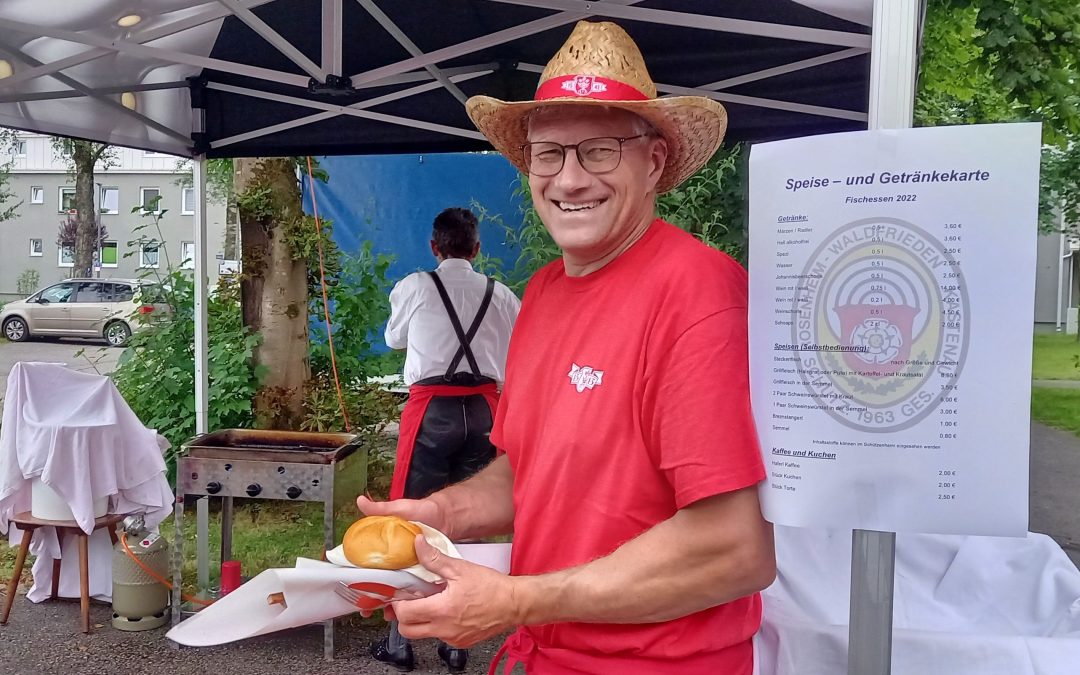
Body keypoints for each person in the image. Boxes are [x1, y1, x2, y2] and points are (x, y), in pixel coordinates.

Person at [358, 21, 774, 675]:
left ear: (654, 161)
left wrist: (517, 599)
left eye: (600, 150)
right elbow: (528, 470)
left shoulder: (698, 292)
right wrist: (441, 512)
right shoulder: (545, 291)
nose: (569, 179)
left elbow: (733, 547)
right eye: (548, 153)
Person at [373, 206, 520, 673]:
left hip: (432, 408)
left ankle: (400, 639)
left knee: (412, 519)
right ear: (477, 249)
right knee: (474, 520)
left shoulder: (416, 285)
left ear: (433, 247)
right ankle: (457, 641)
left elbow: (394, 339)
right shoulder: (502, 294)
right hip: (483, 410)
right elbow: (518, 350)